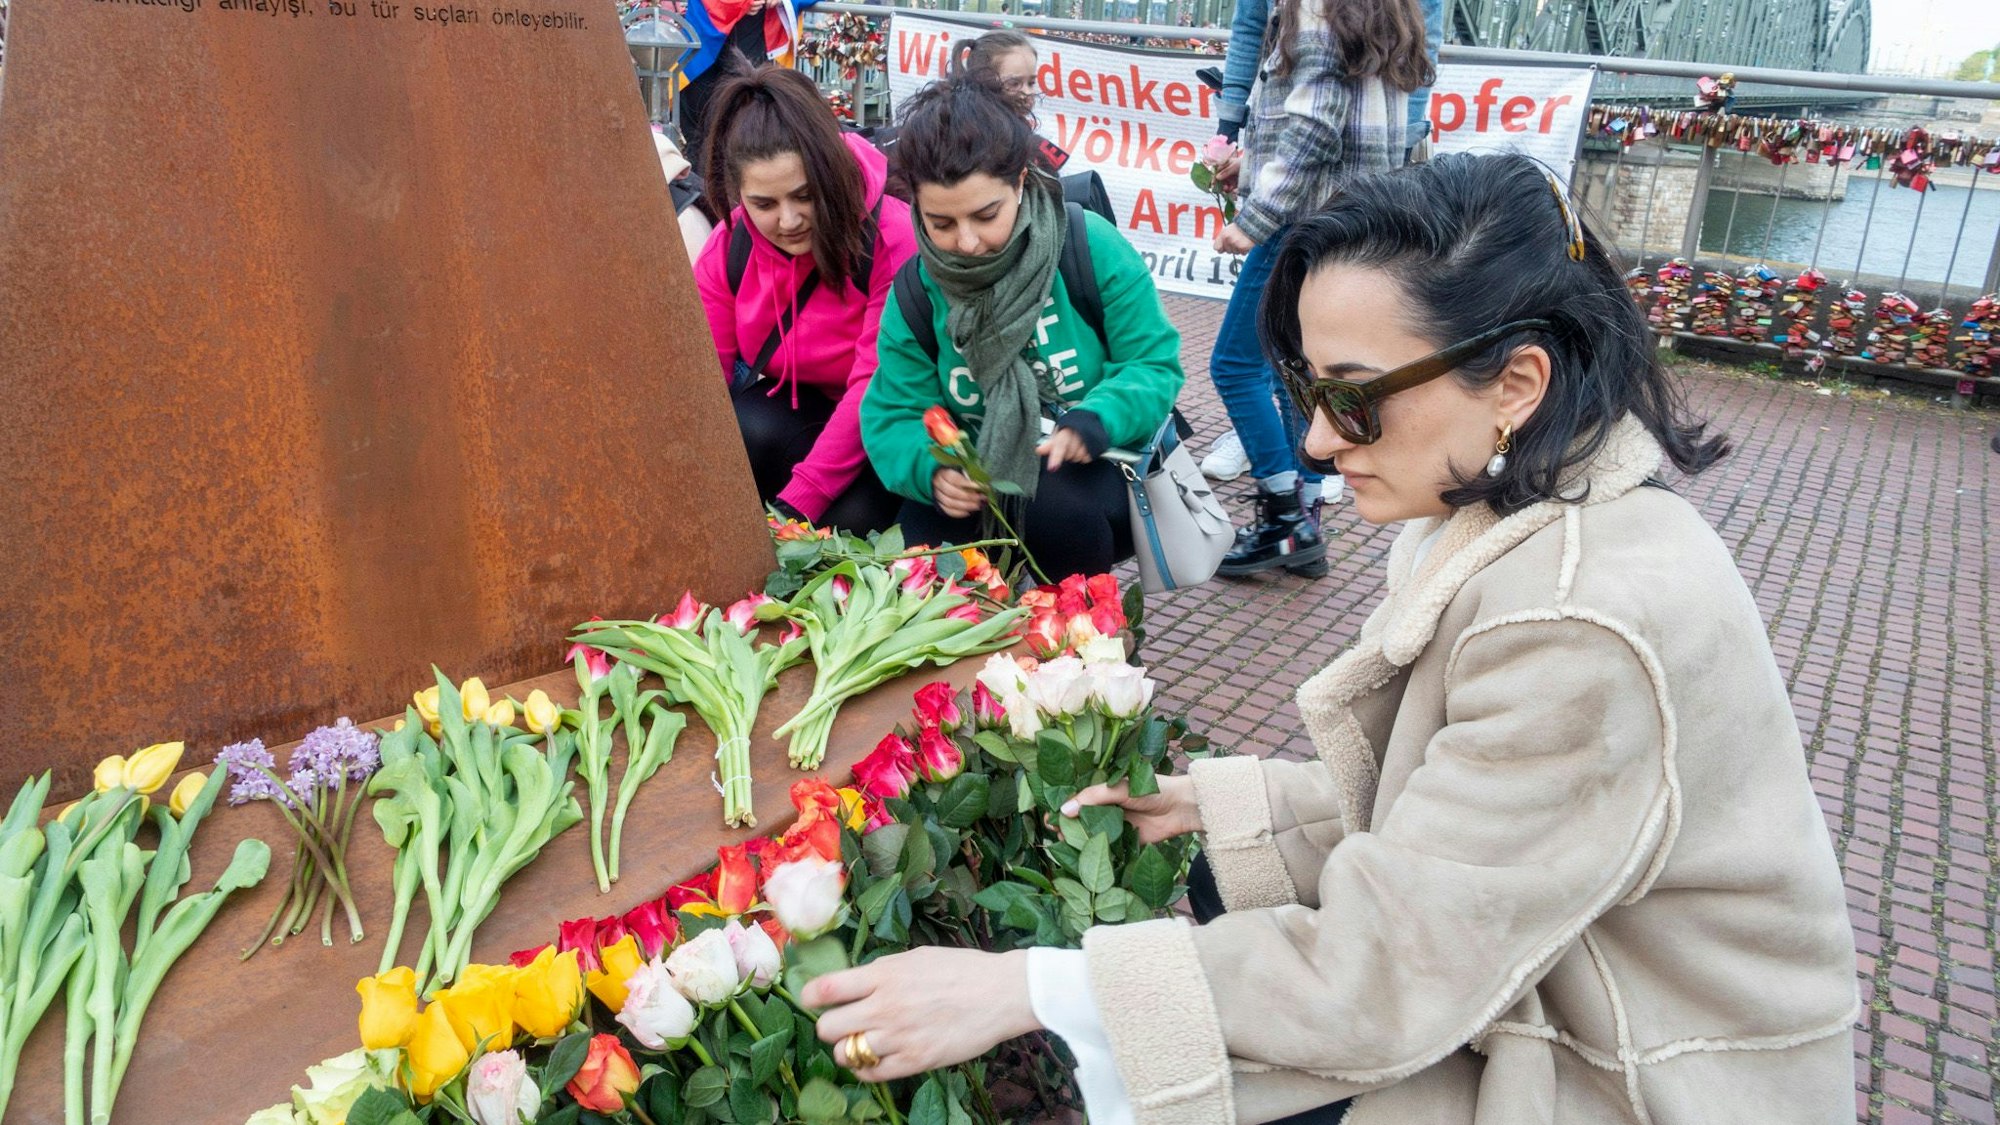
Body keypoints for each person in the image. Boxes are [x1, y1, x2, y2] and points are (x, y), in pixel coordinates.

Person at [804, 153, 1859, 1124]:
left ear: (1518, 384)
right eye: (1307, 391)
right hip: (1560, 975)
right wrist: (1207, 801)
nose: (1310, 439)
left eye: (1351, 399)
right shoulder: (1508, 500)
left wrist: (1020, 988)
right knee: (1217, 878)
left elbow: (1385, 970)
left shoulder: (1574, 623)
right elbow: (1459, 817)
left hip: (1641, 1067)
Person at [859, 76, 1184, 582]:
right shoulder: (917, 289)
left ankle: (1086, 643)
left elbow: (1153, 364)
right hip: (975, 475)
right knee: (911, 562)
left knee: (1053, 510)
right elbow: (894, 412)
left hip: (1092, 466)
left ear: (1020, 183)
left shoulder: (1086, 243)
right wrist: (934, 470)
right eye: (940, 224)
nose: (966, 242)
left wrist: (1098, 416)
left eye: (986, 215)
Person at [1208, 0, 1433, 579]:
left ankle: (1285, 515)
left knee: (1235, 366)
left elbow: (1313, 124)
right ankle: (1303, 517)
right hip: (1348, 219)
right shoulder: (1382, 7)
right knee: (1294, 370)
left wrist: (1253, 216)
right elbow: (1350, 117)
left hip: (1296, 224)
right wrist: (1253, 163)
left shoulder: (1315, 6)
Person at [694, 67, 916, 532]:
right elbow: (699, 379)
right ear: (741, 197)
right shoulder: (731, 244)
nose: (789, 221)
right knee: (743, 429)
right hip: (802, 410)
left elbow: (874, 385)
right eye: (765, 204)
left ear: (829, 171)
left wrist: (798, 506)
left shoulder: (892, 238)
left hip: (890, 421)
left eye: (805, 196)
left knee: (849, 520)